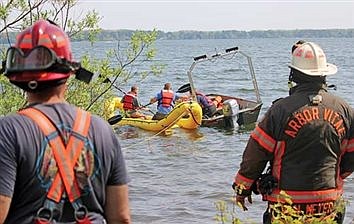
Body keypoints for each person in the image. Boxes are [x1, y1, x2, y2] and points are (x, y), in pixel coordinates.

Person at [0, 19, 131, 224]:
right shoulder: (103, 129)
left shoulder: (8, 130)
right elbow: (121, 217)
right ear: (71, 72)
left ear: (17, 74)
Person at [232, 42, 354, 224]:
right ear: (324, 74)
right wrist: (332, 176)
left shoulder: (280, 110)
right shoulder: (344, 110)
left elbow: (255, 154)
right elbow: (350, 160)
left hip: (286, 206)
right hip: (329, 205)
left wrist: (243, 188)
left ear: (294, 74)